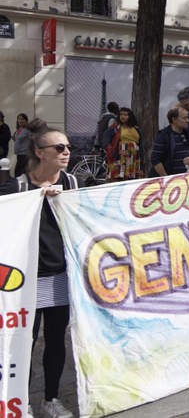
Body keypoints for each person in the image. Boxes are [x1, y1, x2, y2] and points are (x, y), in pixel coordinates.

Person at [0, 119, 81, 418]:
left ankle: (51, 398)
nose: (66, 152)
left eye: (68, 147)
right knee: (24, 341)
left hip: (61, 277)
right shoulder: (17, 187)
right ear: (40, 152)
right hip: (26, 282)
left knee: (56, 340)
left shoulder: (72, 183)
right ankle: (20, 401)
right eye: (59, 147)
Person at [150, 106, 189, 176]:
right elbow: (155, 159)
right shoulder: (164, 135)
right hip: (171, 179)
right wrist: (166, 178)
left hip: (187, 177)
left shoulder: (188, 134)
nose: (188, 120)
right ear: (174, 119)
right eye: (184, 118)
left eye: (188, 117)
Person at [103, 107, 143, 181]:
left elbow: (141, 144)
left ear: (130, 116)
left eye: (125, 114)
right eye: (121, 114)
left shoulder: (136, 129)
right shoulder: (115, 128)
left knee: (131, 180)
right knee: (118, 180)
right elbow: (106, 139)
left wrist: (142, 159)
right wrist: (109, 149)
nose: (122, 116)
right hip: (119, 157)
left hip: (133, 158)